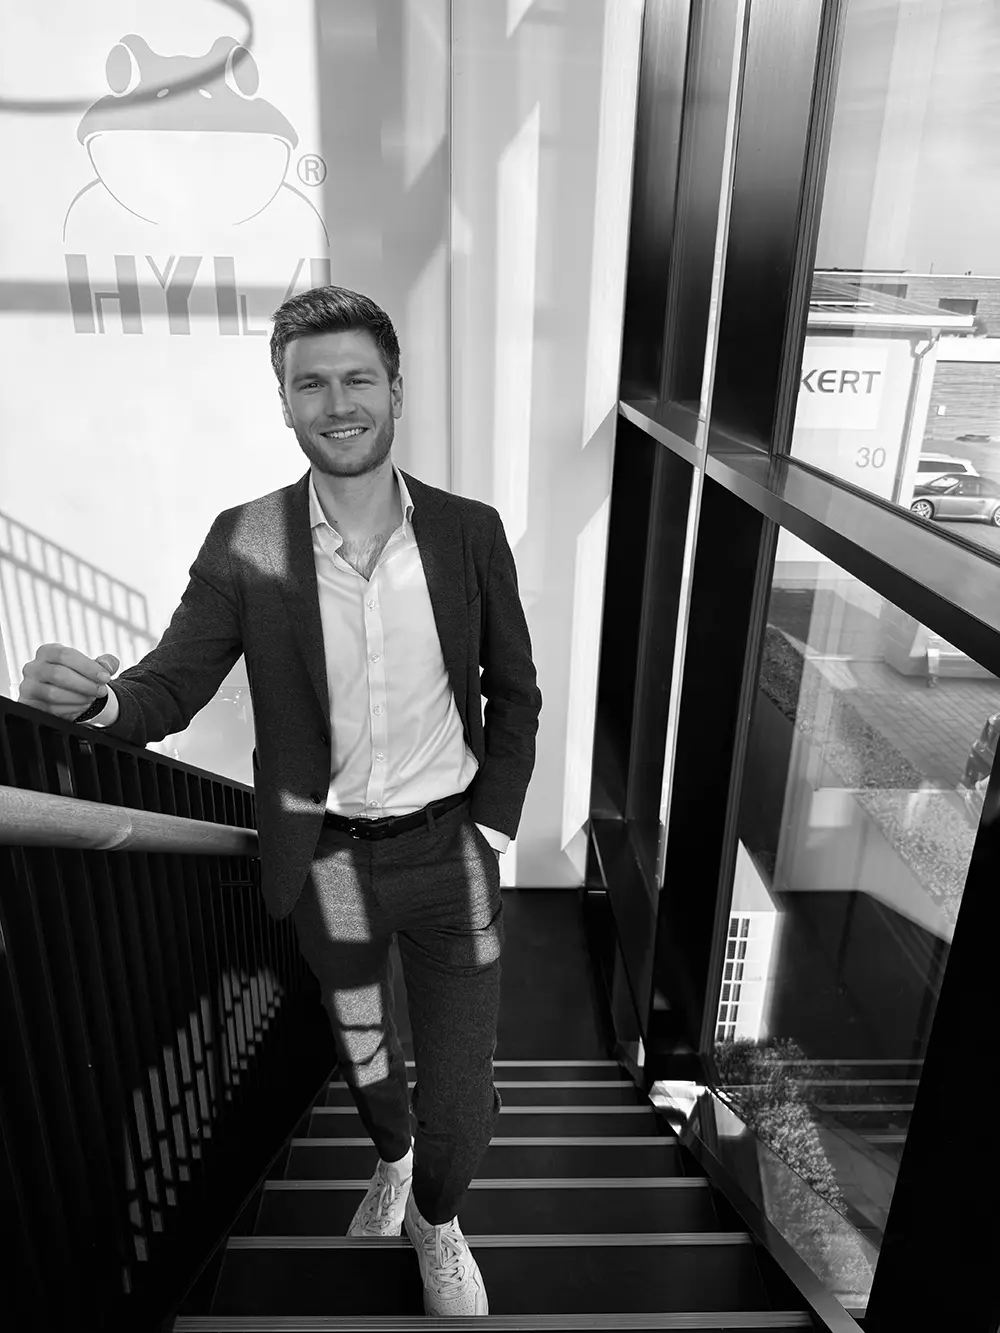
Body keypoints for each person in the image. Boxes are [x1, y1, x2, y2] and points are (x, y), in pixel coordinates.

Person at [19, 285, 542, 1318]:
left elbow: (513, 690)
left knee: (459, 1108)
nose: (337, 403)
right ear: (286, 403)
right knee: (362, 1044)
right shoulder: (249, 540)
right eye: (312, 384)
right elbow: (168, 685)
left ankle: (437, 1215)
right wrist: (100, 702)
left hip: (449, 856)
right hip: (331, 864)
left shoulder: (467, 532)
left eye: (357, 379)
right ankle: (390, 1159)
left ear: (395, 391)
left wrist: (491, 824)